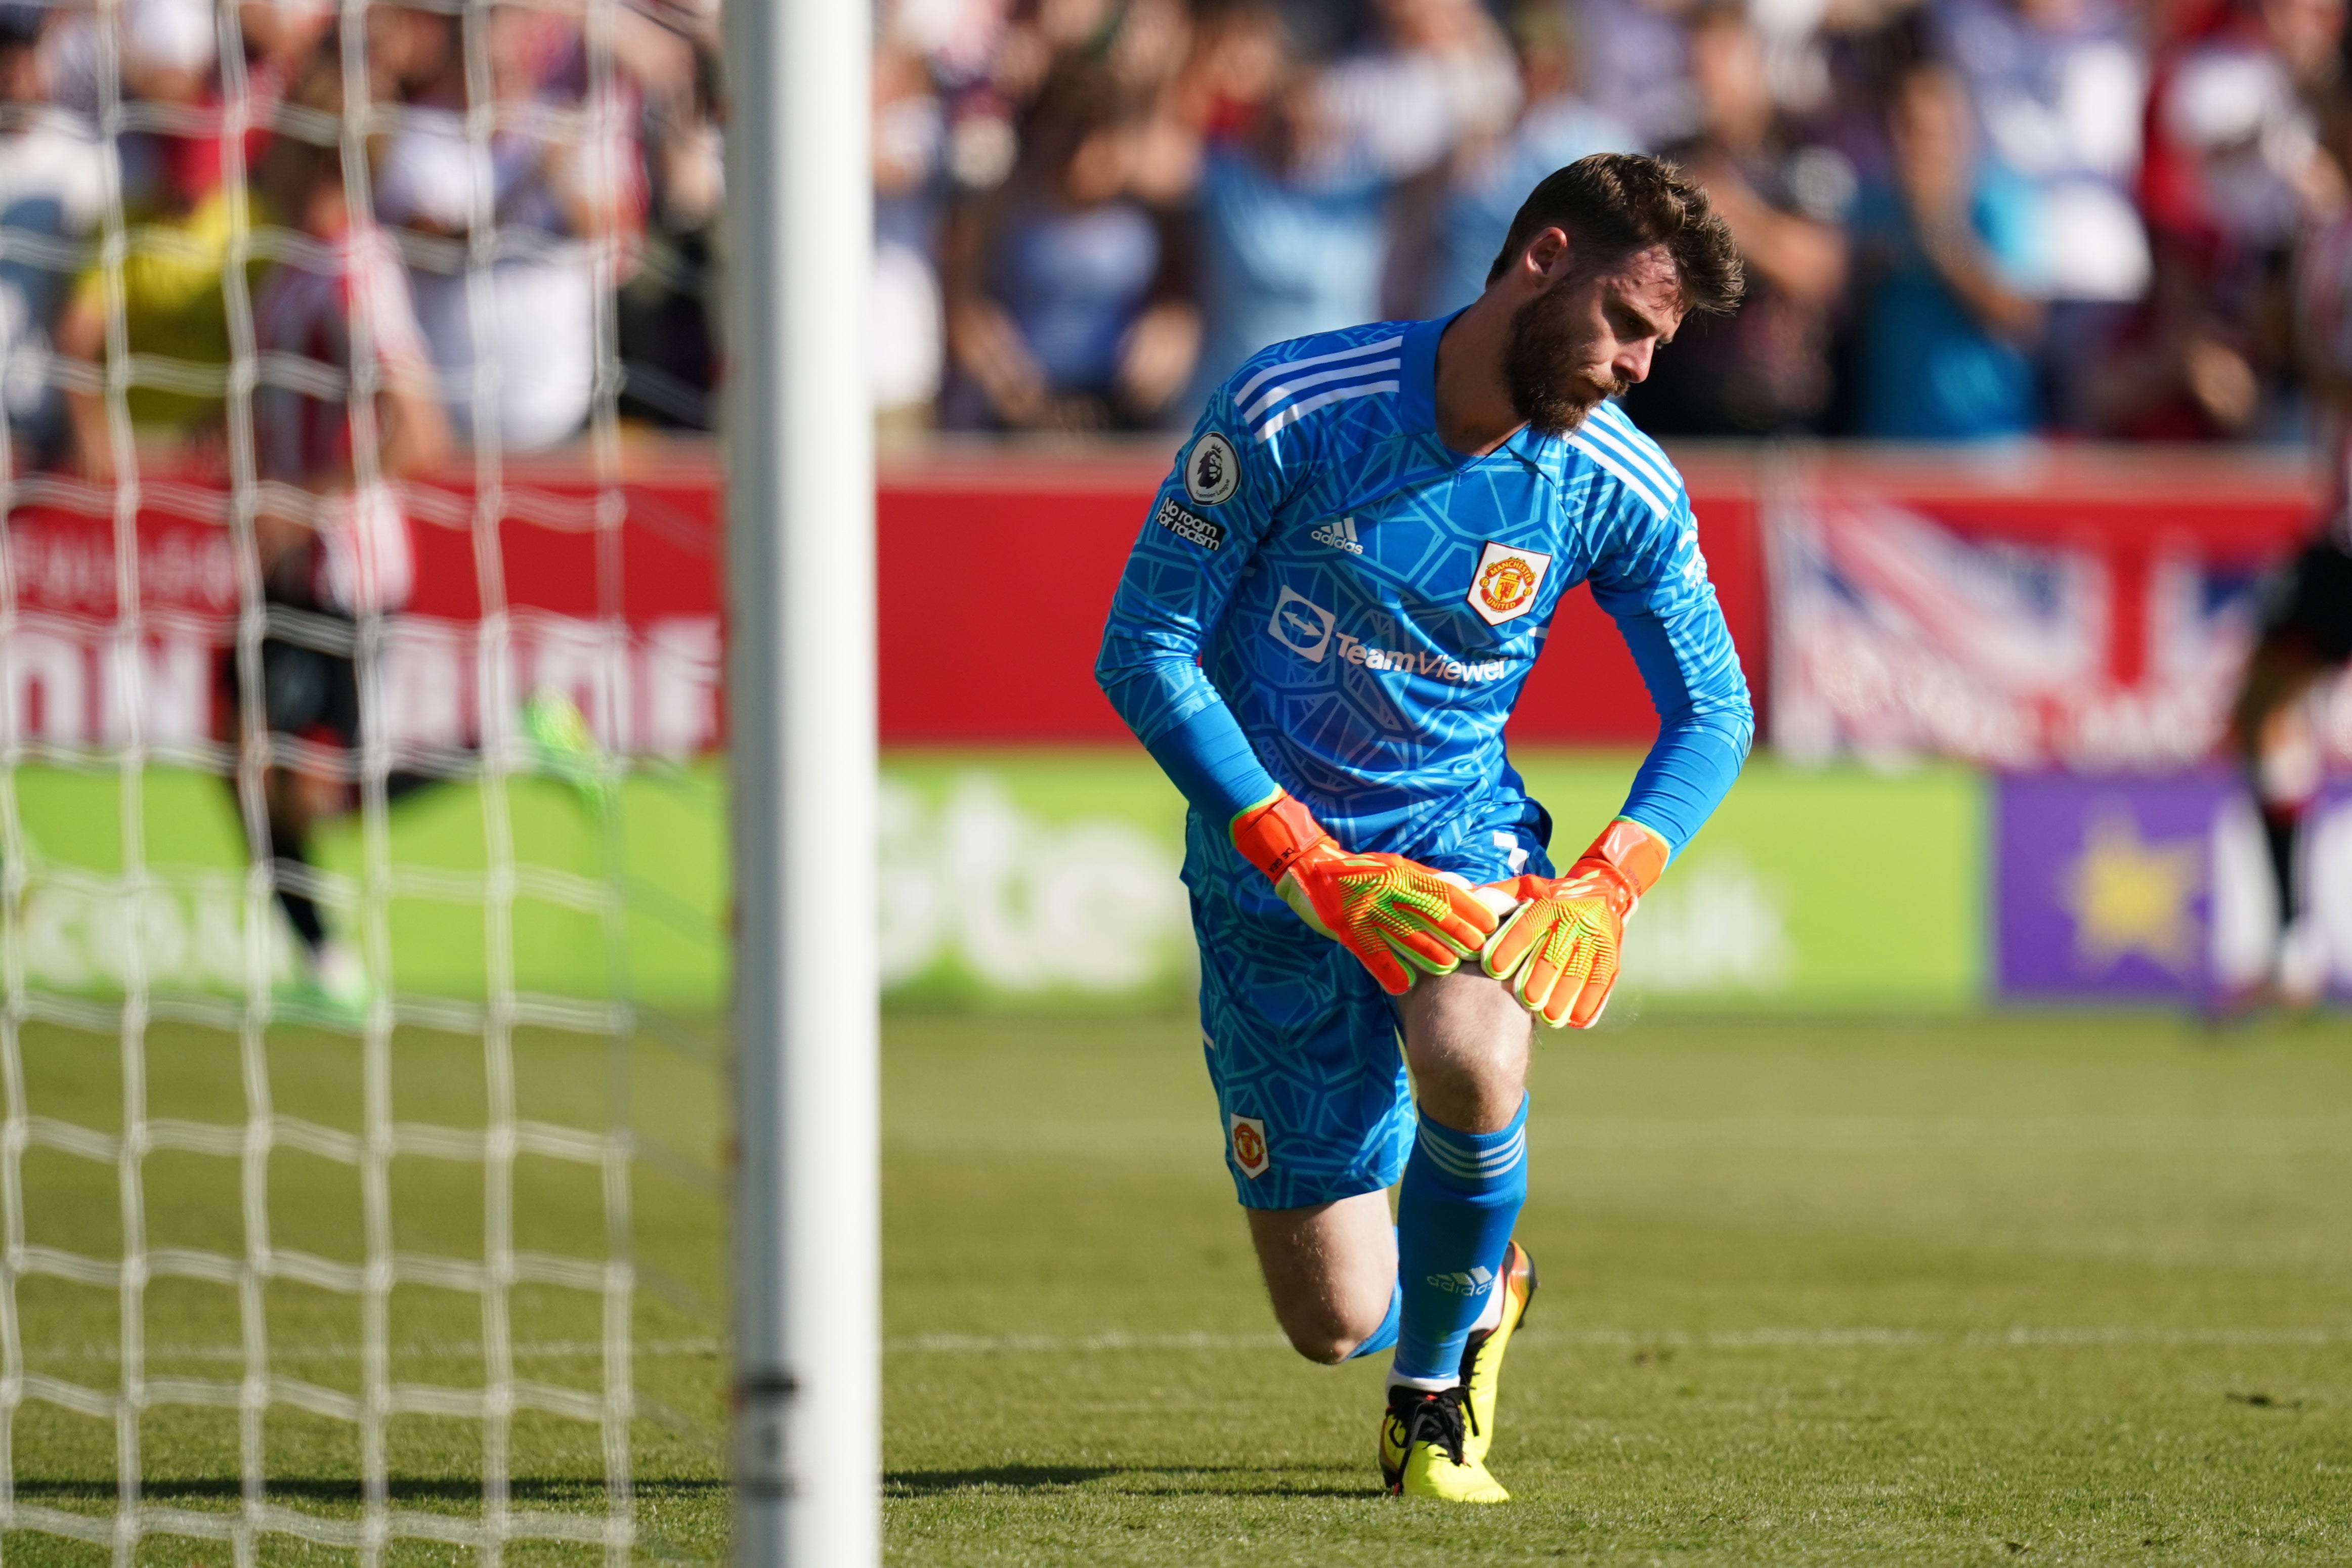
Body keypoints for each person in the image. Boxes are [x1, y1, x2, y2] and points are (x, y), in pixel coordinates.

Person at [1094, 152, 1751, 1501]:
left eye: (1658, 345)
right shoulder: (1296, 408)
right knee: (1333, 1316)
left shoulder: (1615, 481)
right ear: (1542, 256)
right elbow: (1145, 646)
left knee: (1470, 1056)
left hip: (1457, 839)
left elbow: (1716, 710)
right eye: (1628, 322)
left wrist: (1608, 884)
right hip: (1268, 867)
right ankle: (1478, 1282)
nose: (1637, 365)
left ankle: (1433, 1407)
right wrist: (1303, 863)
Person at [235, 55, 450, 1009]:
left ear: (317, 158)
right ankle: (322, 965)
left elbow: (421, 425)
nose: (263, 159)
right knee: (249, 761)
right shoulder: (292, 268)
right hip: (291, 566)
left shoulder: (357, 269)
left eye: (280, 143)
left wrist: (309, 497)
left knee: (319, 785)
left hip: (346, 568)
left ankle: (516, 742)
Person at [1622, 2, 1852, 434]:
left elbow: (1816, 270)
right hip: (1679, 409)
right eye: (1697, 62)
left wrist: (1721, 209)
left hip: (1783, 412)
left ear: (1755, 59)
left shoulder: (1800, 149)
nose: (1708, 78)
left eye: (1721, 58)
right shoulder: (1668, 156)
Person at [1849, 61, 2046, 438]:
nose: (1917, 146)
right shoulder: (1875, 206)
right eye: (1906, 128)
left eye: (1929, 131)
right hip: (1890, 444)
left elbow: (2021, 319)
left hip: (1986, 447)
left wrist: (1939, 232)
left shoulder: (2001, 201)